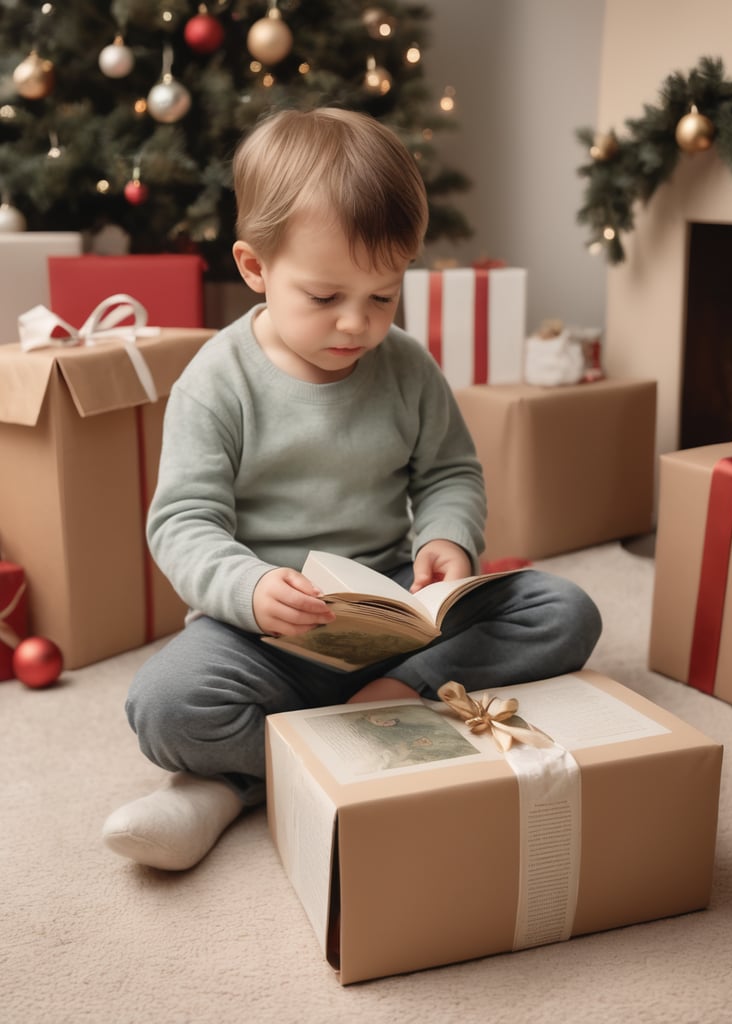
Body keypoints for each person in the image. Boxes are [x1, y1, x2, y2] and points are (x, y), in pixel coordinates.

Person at [102, 107, 602, 871]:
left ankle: (368, 713)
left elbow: (448, 472)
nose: (356, 324)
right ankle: (241, 784)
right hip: (264, 628)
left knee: (565, 610)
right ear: (254, 267)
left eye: (382, 296)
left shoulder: (406, 366)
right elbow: (182, 522)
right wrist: (250, 585)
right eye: (325, 296)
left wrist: (446, 539)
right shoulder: (216, 379)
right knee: (166, 706)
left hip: (394, 614)